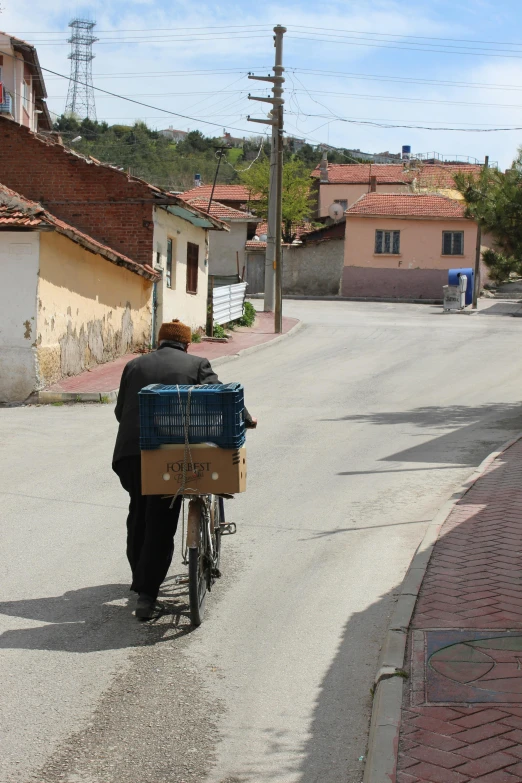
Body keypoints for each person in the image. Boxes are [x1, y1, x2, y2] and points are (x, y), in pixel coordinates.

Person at [113, 318, 256, 620]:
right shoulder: (197, 364)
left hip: (128, 454)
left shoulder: (134, 366)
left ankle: (140, 580)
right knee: (160, 522)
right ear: (187, 343)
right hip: (166, 455)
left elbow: (119, 411)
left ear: (159, 341)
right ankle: (147, 597)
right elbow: (223, 398)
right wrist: (246, 416)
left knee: (138, 512)